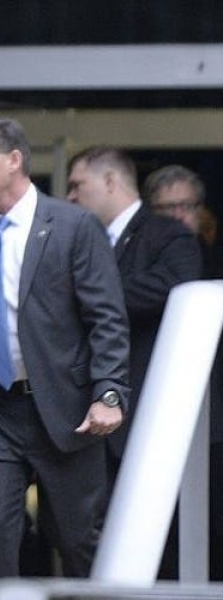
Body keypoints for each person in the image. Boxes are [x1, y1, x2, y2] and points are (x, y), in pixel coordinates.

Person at [0, 118, 129, 586]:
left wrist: (109, 393)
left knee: (76, 538)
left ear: (14, 160)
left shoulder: (73, 225)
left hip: (66, 407)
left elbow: (106, 318)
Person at [66, 147, 201, 488]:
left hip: (152, 411)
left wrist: (88, 296)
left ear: (110, 181)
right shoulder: (80, 240)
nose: (71, 197)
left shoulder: (168, 233)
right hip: (92, 419)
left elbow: (174, 286)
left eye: (78, 185)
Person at [143, 163, 223, 581]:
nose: (177, 216)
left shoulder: (214, 257)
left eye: (186, 206)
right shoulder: (141, 261)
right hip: (160, 409)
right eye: (166, 208)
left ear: (201, 209)